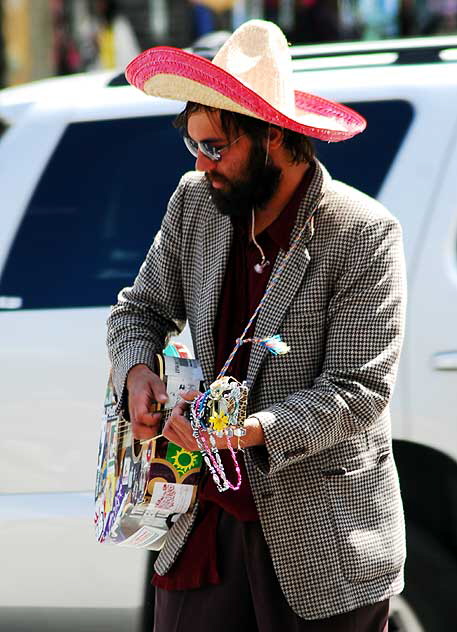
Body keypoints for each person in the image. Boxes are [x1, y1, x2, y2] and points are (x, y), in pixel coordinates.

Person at [107, 19, 406, 632]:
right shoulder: (195, 201)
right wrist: (137, 369)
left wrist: (245, 431)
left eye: (216, 147)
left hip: (323, 544)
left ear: (273, 137)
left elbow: (358, 394)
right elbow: (139, 310)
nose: (201, 163)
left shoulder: (363, 233)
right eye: (192, 145)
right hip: (202, 526)